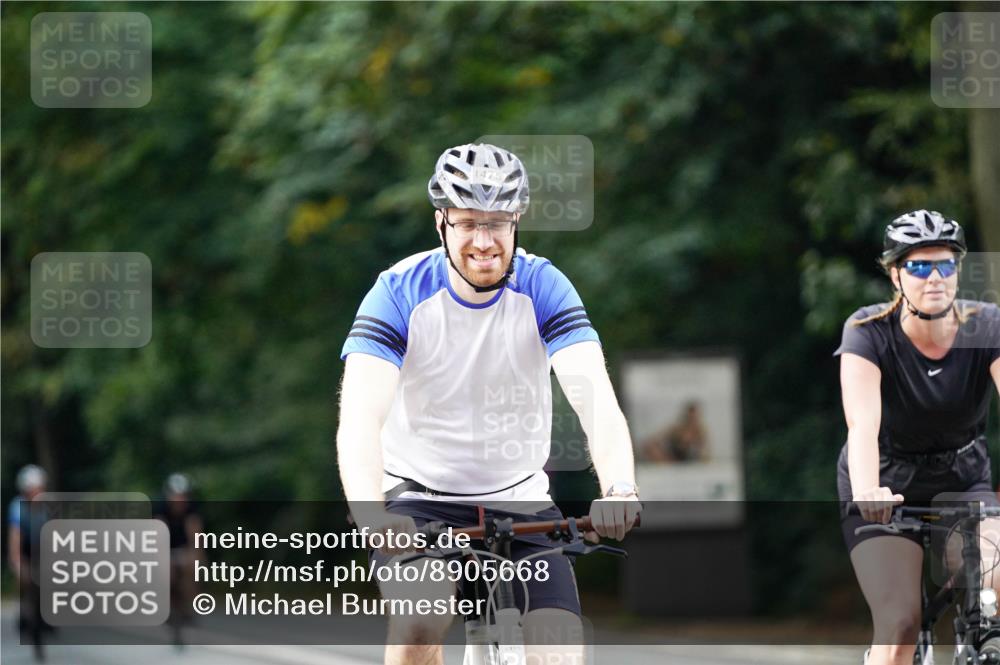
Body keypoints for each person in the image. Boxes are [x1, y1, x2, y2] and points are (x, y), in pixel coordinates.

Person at [336, 142, 641, 665]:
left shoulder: (544, 286)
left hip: (521, 500)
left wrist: (619, 487)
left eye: (497, 223)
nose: (484, 241)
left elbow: (596, 398)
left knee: (558, 650)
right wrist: (373, 516)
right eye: (468, 223)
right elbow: (361, 419)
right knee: (419, 621)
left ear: (517, 221)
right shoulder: (398, 292)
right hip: (420, 501)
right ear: (442, 224)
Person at [835, 210, 1000, 665]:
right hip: (886, 482)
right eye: (919, 266)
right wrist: (869, 491)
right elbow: (863, 425)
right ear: (895, 274)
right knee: (901, 622)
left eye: (945, 265)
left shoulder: (986, 326)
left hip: (964, 481)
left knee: (995, 576)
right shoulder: (868, 332)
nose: (934, 277)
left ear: (959, 270)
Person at [153, 473, 203, 628]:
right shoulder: (161, 509)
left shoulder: (191, 510)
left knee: (193, 565)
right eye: (176, 496)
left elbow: (195, 535)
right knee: (166, 570)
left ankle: (189, 606)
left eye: (183, 496)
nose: (180, 500)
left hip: (183, 548)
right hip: (165, 548)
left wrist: (196, 555)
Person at [7, 465, 49, 641]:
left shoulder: (47, 506)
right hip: (23, 547)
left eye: (39, 489)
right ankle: (24, 610)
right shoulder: (17, 506)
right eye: (32, 490)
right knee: (23, 577)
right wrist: (16, 562)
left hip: (40, 546)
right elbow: (15, 536)